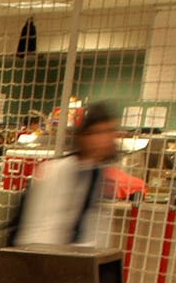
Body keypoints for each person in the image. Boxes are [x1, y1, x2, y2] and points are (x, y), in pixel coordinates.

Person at [8, 101, 120, 247]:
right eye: (98, 132)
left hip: (77, 258)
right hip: (44, 256)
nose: (105, 139)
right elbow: (35, 228)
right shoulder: (55, 170)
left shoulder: (99, 174)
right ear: (83, 136)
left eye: (109, 132)